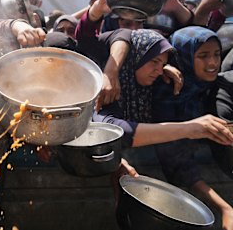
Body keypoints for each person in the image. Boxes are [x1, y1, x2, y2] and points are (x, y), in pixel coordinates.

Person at [93, 28, 233, 148]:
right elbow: (111, 129)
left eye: (163, 64)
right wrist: (189, 128)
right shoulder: (107, 88)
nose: (159, 71)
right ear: (135, 58)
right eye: (154, 61)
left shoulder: (152, 85)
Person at [151, 26, 233, 230]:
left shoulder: (214, 85)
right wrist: (225, 208)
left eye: (216, 54)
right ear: (184, 57)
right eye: (203, 56)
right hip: (175, 194)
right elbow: (177, 162)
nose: (213, 63)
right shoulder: (168, 91)